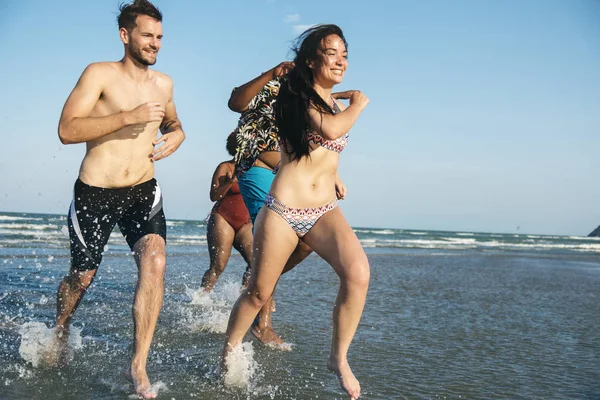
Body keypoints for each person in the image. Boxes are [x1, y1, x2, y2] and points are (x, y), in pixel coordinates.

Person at [221, 24, 369, 399]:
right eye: (331, 53)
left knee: (358, 274)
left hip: (323, 210)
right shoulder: (296, 94)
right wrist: (359, 105)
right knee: (257, 293)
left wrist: (334, 174)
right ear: (310, 60)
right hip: (284, 209)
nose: (340, 60)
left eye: (345, 54)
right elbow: (331, 131)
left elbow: (324, 147)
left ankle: (338, 358)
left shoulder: (333, 102)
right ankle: (230, 349)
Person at [48, 1, 185, 398]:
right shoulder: (99, 74)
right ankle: (60, 326)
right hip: (95, 193)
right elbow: (66, 129)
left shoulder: (164, 84)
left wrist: (178, 134)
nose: (155, 43)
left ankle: (137, 366)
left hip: (143, 189)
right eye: (147, 35)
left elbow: (173, 121)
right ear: (126, 35)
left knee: (155, 260)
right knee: (82, 277)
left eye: (159, 37)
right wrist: (127, 117)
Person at [228, 62, 314, 346]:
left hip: (288, 175)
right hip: (256, 169)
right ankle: (262, 324)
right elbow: (235, 102)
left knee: (306, 241)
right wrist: (270, 74)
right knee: (272, 243)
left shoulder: (303, 100)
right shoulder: (268, 87)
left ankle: (257, 278)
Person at [201, 133, 253, 291]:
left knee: (256, 264)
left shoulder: (257, 168)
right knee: (218, 266)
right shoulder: (225, 167)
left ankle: (244, 299)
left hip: (246, 223)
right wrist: (230, 182)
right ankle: (201, 299)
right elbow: (214, 195)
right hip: (223, 219)